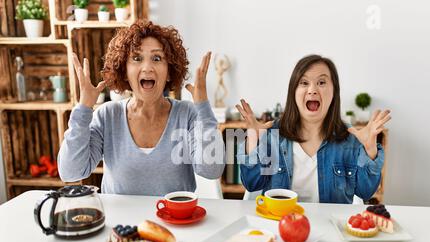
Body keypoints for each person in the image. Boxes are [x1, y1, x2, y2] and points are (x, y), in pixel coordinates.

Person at [58, 20, 225, 196]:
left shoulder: (188, 114)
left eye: (157, 58)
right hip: (120, 222)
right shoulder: (107, 116)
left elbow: (211, 170)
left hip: (176, 222)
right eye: (137, 58)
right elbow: (71, 172)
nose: (147, 67)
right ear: (124, 70)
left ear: (169, 72)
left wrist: (203, 107)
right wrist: (83, 108)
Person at [236, 54, 391, 203]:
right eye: (304, 83)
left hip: (330, 227)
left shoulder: (350, 138)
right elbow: (252, 184)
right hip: (280, 224)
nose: (312, 90)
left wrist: (370, 149)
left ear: (334, 91)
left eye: (321, 82)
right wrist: (253, 141)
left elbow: (365, 192)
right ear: (293, 92)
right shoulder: (273, 135)